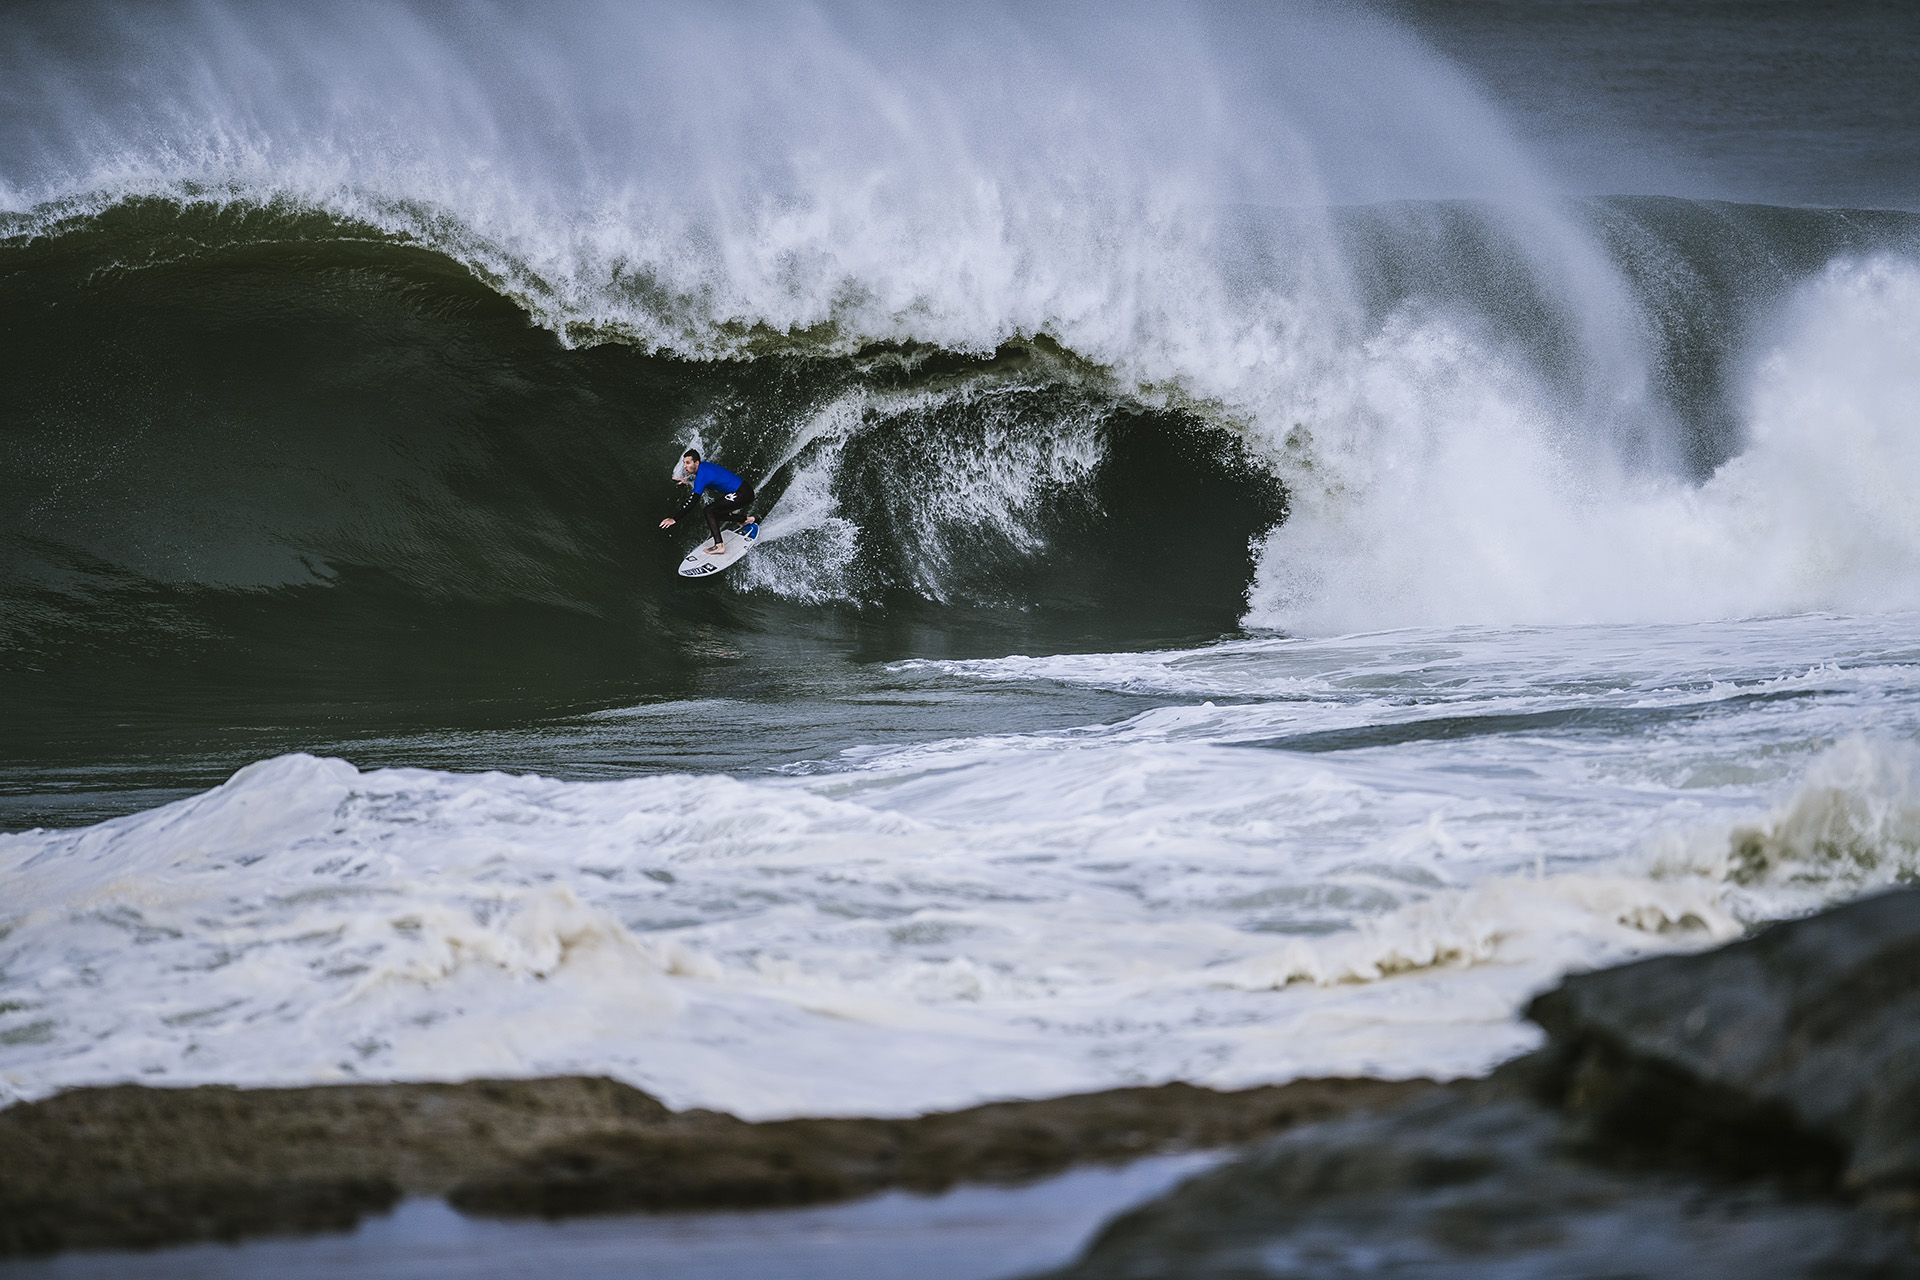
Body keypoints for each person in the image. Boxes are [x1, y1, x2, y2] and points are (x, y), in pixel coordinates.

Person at [659, 448, 758, 554]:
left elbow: (693, 502)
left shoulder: (701, 477)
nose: (685, 466)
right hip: (745, 489)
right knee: (714, 514)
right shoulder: (704, 466)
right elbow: (706, 477)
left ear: (696, 463)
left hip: (742, 493)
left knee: (709, 511)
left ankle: (719, 545)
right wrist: (687, 480)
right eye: (684, 463)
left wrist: (674, 519)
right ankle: (744, 520)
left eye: (688, 463)